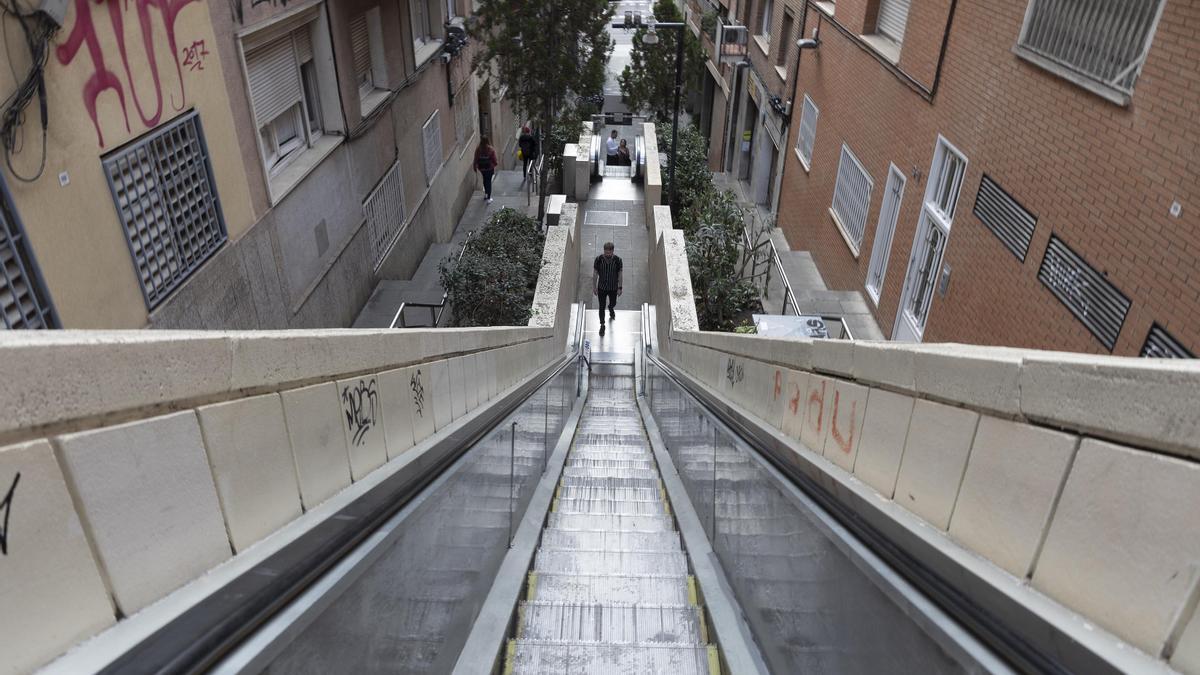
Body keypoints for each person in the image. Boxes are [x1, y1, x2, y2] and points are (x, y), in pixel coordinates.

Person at [592, 242, 623, 337]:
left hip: (613, 288)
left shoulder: (618, 260)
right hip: (602, 288)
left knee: (613, 303)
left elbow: (620, 274)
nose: (608, 254)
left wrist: (620, 287)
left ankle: (610, 308)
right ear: (604, 250)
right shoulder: (598, 259)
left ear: (613, 251)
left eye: (609, 252)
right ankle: (602, 325)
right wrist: (594, 286)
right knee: (601, 306)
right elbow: (595, 273)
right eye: (606, 251)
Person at [474, 136, 499, 203]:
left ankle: (486, 194)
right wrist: (495, 164)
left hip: (482, 168)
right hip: (489, 168)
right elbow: (494, 160)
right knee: (488, 182)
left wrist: (475, 167)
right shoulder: (490, 149)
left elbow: (475, 158)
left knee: (485, 180)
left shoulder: (478, 149)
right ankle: (489, 198)